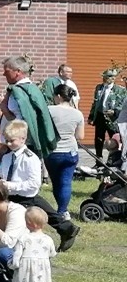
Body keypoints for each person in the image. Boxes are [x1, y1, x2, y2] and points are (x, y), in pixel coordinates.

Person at [0, 119, 78, 251]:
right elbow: (2, 173)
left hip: (26, 197)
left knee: (37, 217)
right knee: (44, 214)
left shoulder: (30, 158)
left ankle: (66, 229)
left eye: (12, 140)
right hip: (12, 196)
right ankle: (67, 228)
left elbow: (34, 184)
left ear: (23, 139)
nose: (9, 143)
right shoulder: (7, 157)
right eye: (7, 140)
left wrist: (11, 185)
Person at [9, 207, 56, 282]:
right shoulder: (48, 239)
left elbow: (17, 255)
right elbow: (52, 253)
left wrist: (13, 265)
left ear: (29, 223)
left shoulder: (23, 238)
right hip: (41, 270)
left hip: (25, 268)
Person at [46, 84, 85, 221]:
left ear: (58, 96)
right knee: (66, 182)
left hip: (52, 152)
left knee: (56, 182)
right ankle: (63, 210)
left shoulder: (49, 110)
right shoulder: (77, 113)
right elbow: (80, 136)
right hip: (70, 151)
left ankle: (60, 208)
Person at [88, 68, 123, 163]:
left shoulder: (119, 90)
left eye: (109, 77)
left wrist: (115, 111)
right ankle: (98, 160)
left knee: (115, 139)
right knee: (99, 139)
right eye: (105, 77)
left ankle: (114, 160)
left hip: (112, 118)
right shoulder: (99, 88)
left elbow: (122, 104)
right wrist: (91, 116)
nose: (106, 79)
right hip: (100, 116)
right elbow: (95, 103)